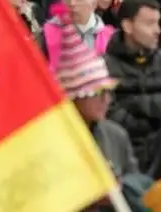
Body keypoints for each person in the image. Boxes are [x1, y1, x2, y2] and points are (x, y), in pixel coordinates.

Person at [105, 0, 161, 168]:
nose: (158, 30)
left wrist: (134, 103)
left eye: (158, 23)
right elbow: (109, 114)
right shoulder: (104, 66)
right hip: (122, 152)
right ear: (127, 26)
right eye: (149, 23)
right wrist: (154, 122)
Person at [54, 22, 138, 182]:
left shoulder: (117, 136)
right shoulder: (51, 141)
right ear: (75, 97)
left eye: (108, 92)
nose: (107, 100)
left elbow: (136, 185)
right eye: (98, 93)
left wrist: (121, 188)